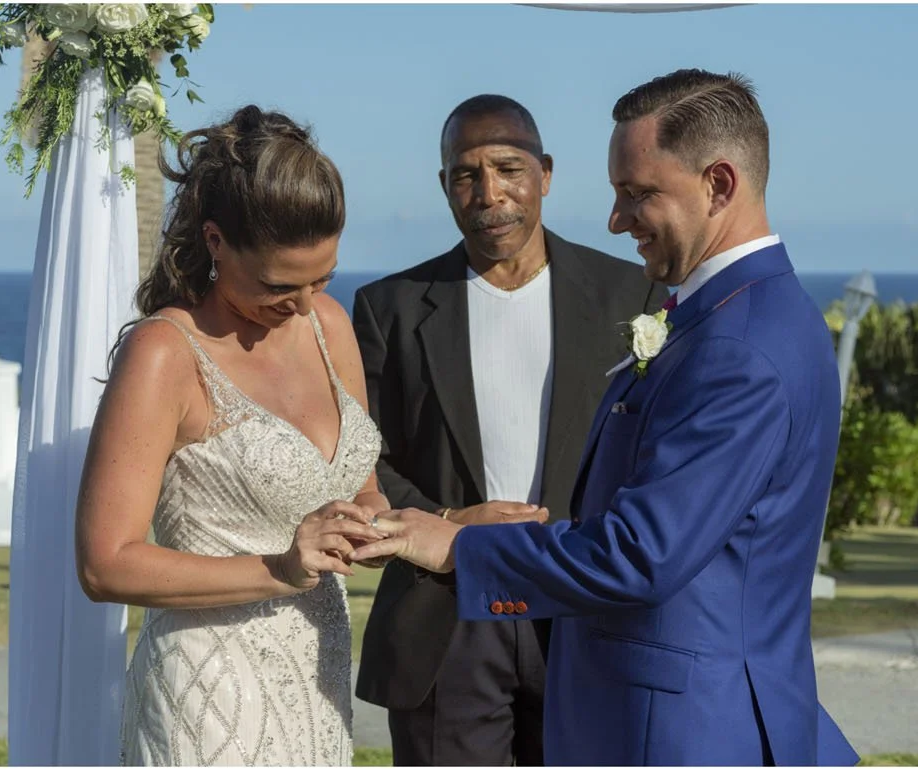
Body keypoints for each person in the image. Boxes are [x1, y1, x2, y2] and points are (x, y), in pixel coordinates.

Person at [353, 70, 858, 766]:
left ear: (719, 184)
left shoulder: (738, 346)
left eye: (638, 194)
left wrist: (453, 547)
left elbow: (641, 551)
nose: (617, 221)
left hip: (687, 732)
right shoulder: (729, 317)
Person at [351, 94, 657, 765]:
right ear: (444, 187)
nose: (489, 193)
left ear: (545, 174)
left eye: (508, 168)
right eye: (466, 174)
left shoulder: (631, 295)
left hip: (584, 610)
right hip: (448, 616)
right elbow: (360, 459)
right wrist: (449, 521)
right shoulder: (389, 308)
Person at [77, 105, 381, 765]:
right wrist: (281, 567)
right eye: (278, 284)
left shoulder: (328, 324)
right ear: (215, 241)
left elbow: (362, 497)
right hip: (208, 693)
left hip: (318, 677)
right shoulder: (165, 353)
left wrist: (422, 529)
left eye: (321, 277)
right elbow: (105, 563)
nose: (300, 304)